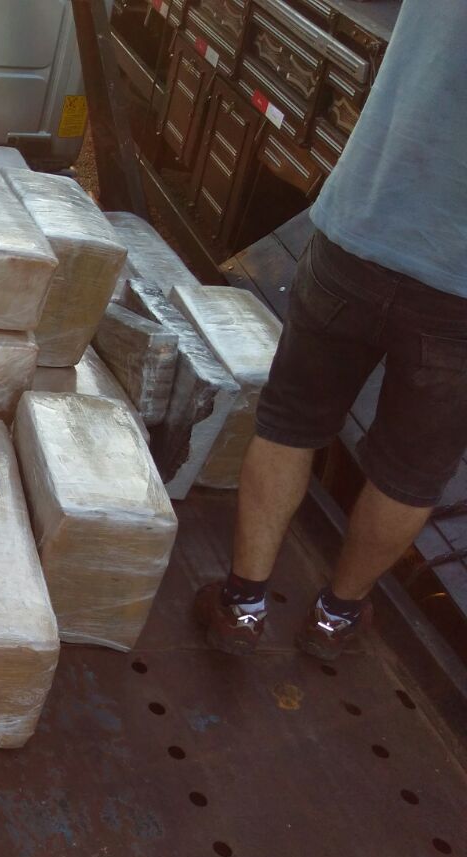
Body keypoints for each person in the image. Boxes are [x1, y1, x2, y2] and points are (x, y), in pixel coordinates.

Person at [194, 0, 467, 660]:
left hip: (358, 232)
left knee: (290, 423)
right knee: (409, 472)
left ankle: (242, 606)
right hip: (458, 295)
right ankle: (335, 619)